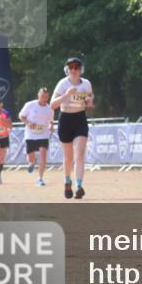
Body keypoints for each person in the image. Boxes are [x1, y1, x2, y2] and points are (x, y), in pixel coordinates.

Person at [51, 57, 94, 199]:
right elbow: (52, 105)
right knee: (68, 157)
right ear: (67, 70)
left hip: (80, 119)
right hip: (65, 120)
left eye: (76, 67)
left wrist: (89, 101)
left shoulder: (86, 84)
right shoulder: (62, 84)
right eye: (71, 67)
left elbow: (90, 100)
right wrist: (66, 95)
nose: (74, 70)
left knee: (80, 154)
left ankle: (79, 185)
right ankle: (67, 181)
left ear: (81, 69)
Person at [20, 87, 54, 186]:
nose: (44, 98)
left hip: (43, 134)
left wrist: (51, 126)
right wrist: (28, 123)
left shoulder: (49, 108)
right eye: (42, 96)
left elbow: (51, 120)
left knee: (43, 154)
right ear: (38, 95)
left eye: (46, 97)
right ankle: (31, 163)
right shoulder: (30, 105)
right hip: (30, 134)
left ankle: (40, 178)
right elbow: (21, 116)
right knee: (31, 158)